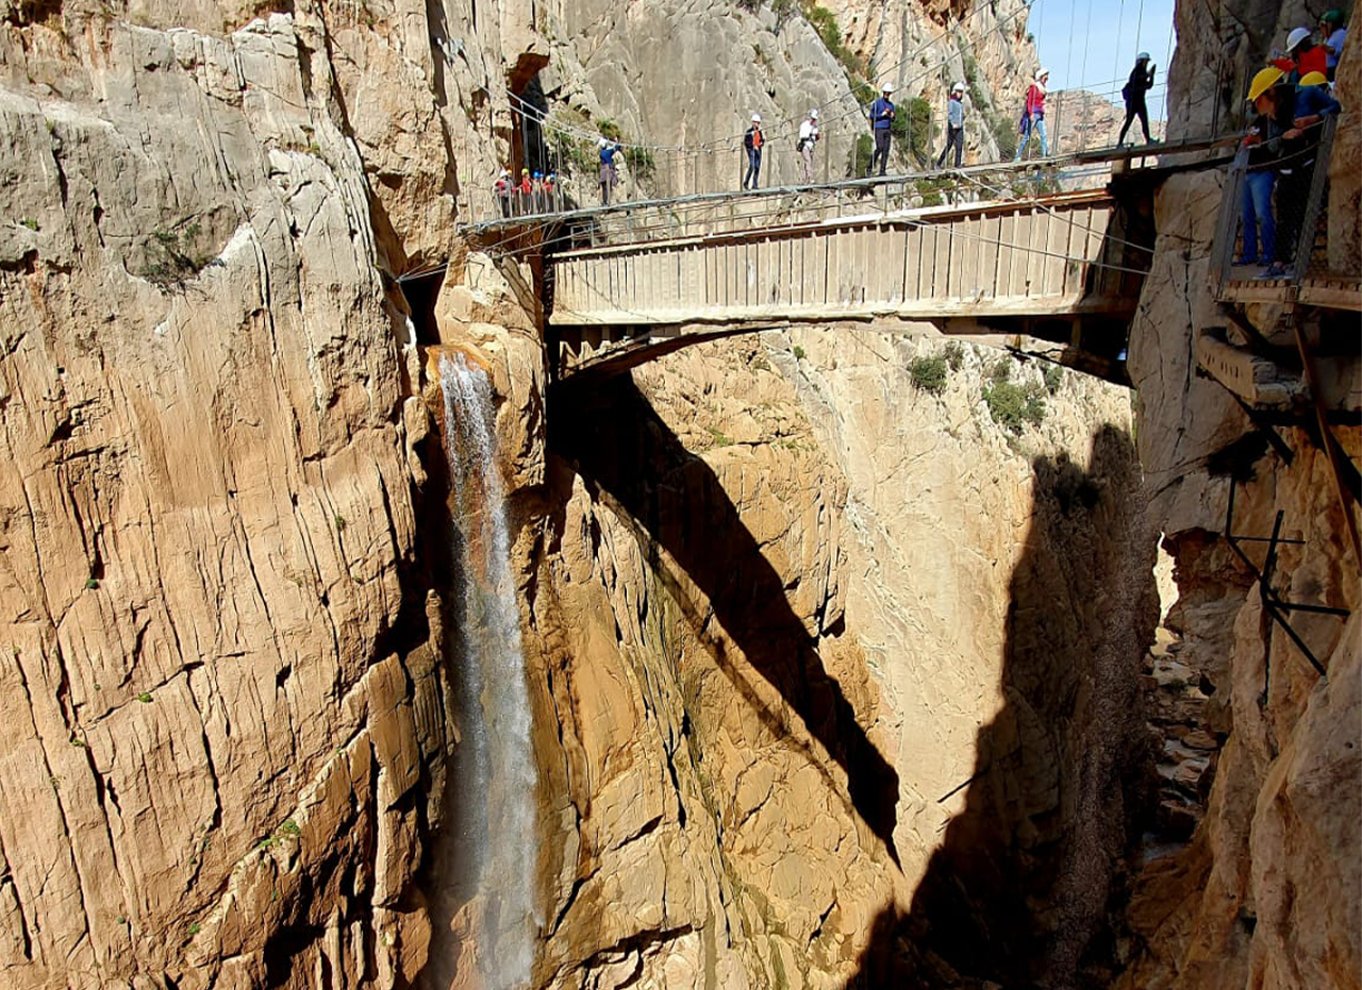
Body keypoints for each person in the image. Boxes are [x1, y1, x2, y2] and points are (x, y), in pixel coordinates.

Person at [1266, 68, 1344, 276]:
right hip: (1286, 169)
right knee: (1283, 218)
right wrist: (1284, 136)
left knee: (1302, 215)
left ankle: (1301, 262)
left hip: (1307, 164)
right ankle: (1279, 262)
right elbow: (1272, 144)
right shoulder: (1273, 113)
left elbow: (1335, 107)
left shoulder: (1307, 93)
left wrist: (1313, 119)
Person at [1237, 67, 1289, 270]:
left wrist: (1260, 141)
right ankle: (1249, 254)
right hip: (1248, 171)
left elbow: (1275, 143)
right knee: (1247, 215)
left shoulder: (1274, 120)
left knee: (1263, 213)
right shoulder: (1257, 121)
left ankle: (1268, 253)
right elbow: (1247, 141)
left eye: (1257, 100)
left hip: (1263, 171)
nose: (1255, 105)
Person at [1118, 53, 1157, 146]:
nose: (1146, 63)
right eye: (1145, 61)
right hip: (1133, 101)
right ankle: (1120, 143)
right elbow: (1136, 79)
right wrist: (1148, 74)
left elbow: (1149, 85)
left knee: (1144, 121)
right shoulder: (1136, 72)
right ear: (1141, 61)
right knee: (1129, 121)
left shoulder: (1142, 73)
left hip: (1139, 101)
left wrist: (1151, 76)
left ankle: (1148, 140)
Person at [1014, 68, 1050, 160]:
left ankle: (1044, 155)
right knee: (1027, 136)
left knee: (1043, 135)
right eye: (1045, 77)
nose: (1047, 79)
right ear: (1041, 77)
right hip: (1034, 114)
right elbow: (1030, 102)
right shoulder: (1034, 88)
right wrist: (1030, 114)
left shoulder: (1042, 89)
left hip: (1040, 114)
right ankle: (1018, 156)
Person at [936, 82, 966, 168]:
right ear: (954, 92)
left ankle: (957, 164)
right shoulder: (952, 102)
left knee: (959, 145)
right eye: (958, 91)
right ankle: (939, 163)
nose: (960, 94)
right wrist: (953, 124)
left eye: (961, 92)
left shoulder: (960, 103)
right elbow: (950, 114)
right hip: (953, 127)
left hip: (960, 127)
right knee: (949, 145)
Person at [869, 84, 896, 176]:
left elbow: (893, 119)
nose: (887, 95)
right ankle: (870, 166)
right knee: (880, 147)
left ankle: (882, 171)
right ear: (883, 93)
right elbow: (871, 116)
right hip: (879, 128)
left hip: (887, 129)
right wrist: (882, 114)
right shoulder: (877, 103)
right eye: (885, 93)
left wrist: (892, 116)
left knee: (886, 150)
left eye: (888, 93)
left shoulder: (891, 105)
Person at [1320, 9, 1348, 81]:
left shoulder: (1341, 34)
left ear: (1331, 24)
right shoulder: (1330, 36)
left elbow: (1343, 52)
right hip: (1329, 70)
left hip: (1336, 70)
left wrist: (1331, 50)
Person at [797, 108, 821, 183]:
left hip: (811, 146)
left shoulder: (814, 127)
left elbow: (818, 137)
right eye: (813, 119)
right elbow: (802, 136)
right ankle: (809, 178)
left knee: (809, 162)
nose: (814, 121)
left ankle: (806, 179)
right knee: (808, 161)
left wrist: (816, 134)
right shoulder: (804, 125)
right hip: (805, 146)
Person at [742, 114, 765, 190]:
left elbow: (761, 139)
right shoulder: (749, 132)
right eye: (756, 122)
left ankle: (754, 185)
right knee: (752, 166)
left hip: (758, 150)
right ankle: (746, 182)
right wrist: (752, 146)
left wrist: (761, 143)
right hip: (752, 150)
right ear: (753, 122)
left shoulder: (759, 132)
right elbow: (746, 142)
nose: (757, 124)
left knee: (757, 167)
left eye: (758, 123)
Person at [598, 137, 621, 205]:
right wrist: (616, 141)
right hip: (609, 171)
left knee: (604, 187)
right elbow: (617, 147)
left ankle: (605, 201)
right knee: (611, 186)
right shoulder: (607, 152)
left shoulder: (601, 153)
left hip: (603, 171)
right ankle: (610, 201)